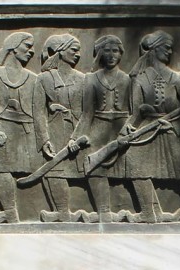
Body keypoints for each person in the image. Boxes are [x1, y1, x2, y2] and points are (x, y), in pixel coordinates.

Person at [121, 30, 180, 223]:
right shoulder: (139, 79)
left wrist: (176, 124)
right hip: (147, 130)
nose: (170, 52)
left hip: (171, 129)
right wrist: (127, 127)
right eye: (166, 48)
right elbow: (134, 112)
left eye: (171, 49)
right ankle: (148, 212)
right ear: (155, 48)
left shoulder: (176, 77)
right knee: (135, 164)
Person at [0, 32, 36, 224]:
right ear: (14, 46)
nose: (32, 51)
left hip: (28, 131)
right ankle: (10, 213)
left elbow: (41, 106)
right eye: (27, 46)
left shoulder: (33, 78)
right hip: (5, 131)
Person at [71, 35, 131, 223]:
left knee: (132, 169)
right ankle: (104, 212)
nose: (112, 55)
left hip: (122, 129)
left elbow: (133, 110)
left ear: (121, 54)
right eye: (107, 50)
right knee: (94, 167)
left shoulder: (128, 79)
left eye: (115, 51)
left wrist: (129, 130)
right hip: (97, 128)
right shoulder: (91, 79)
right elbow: (87, 112)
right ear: (100, 54)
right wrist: (75, 137)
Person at [33, 34, 85, 222]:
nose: (78, 55)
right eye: (74, 50)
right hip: (55, 130)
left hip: (80, 131)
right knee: (55, 170)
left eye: (79, 51)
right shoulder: (44, 79)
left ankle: (102, 211)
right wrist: (44, 139)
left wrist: (79, 135)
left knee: (89, 169)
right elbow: (38, 112)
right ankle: (62, 211)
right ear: (61, 50)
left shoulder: (83, 79)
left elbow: (89, 110)